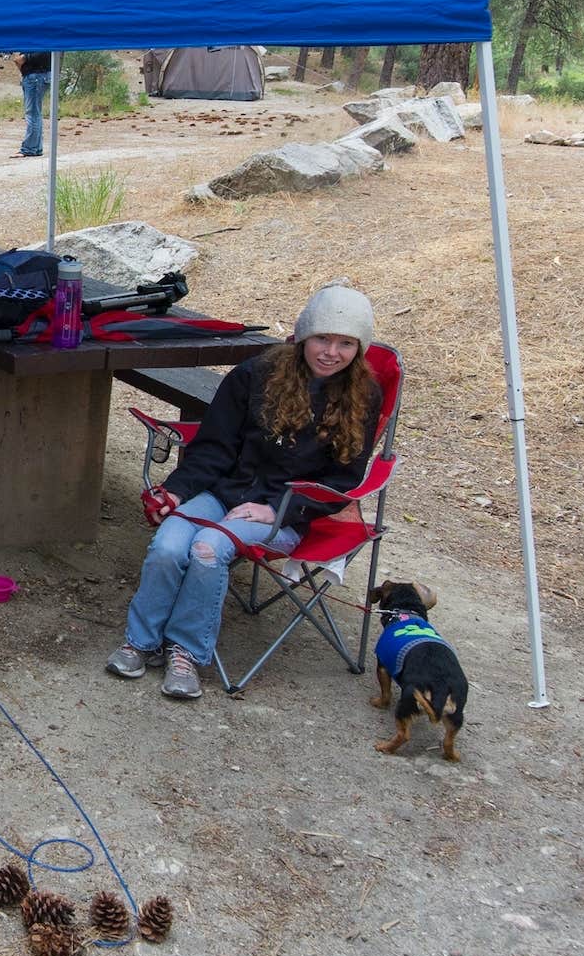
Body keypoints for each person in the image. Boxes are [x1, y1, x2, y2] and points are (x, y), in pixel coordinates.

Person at [107, 285, 382, 700]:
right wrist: (177, 493)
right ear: (303, 335)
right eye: (323, 338)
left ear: (358, 349)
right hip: (225, 492)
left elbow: (343, 481)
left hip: (293, 512)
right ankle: (141, 642)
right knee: (168, 544)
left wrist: (276, 510)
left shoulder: (363, 395)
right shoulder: (255, 375)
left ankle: (186, 652)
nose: (331, 351)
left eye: (346, 343)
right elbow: (214, 447)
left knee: (207, 547)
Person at [14, 52, 52, 158]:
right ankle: (36, 147)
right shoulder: (45, 41)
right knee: (36, 113)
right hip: (41, 75)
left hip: (34, 77)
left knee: (32, 114)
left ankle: (29, 148)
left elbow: (19, 60)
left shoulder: (34, 47)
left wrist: (23, 60)